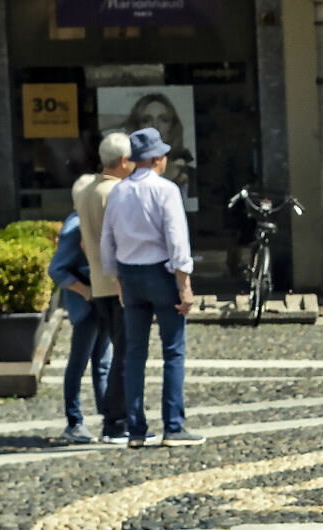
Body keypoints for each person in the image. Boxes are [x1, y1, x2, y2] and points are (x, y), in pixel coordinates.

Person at [98, 126, 204, 447]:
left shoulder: (117, 191)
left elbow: (107, 242)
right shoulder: (166, 190)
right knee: (173, 351)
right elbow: (176, 241)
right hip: (160, 273)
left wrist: (117, 280)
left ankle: (136, 430)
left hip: (129, 275)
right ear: (157, 159)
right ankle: (173, 426)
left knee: (133, 354)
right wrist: (184, 284)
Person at [70, 132, 134, 444]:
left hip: (98, 281)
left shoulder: (85, 190)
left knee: (115, 354)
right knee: (124, 355)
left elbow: (84, 242)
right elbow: (122, 242)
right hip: (119, 282)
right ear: (123, 161)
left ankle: (115, 418)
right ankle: (116, 422)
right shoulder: (118, 193)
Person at [46, 212, 108, 445]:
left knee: (103, 363)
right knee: (79, 363)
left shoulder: (92, 220)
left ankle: (109, 420)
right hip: (87, 306)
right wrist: (86, 292)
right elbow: (57, 269)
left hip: (100, 302)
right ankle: (74, 422)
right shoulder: (76, 225)